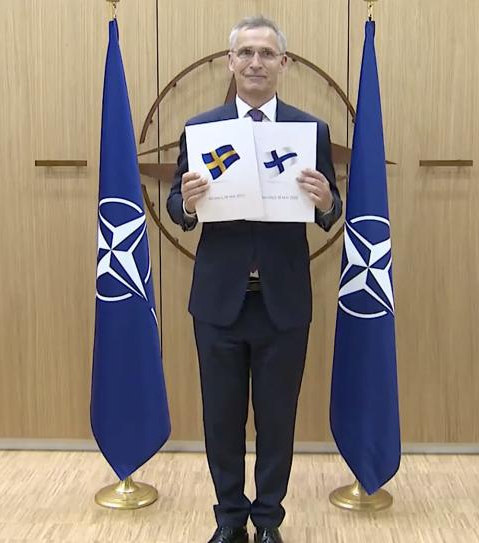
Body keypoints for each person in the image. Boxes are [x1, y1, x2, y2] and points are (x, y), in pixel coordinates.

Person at [167, 15, 342, 543]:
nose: (255, 62)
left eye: (267, 53)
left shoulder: (309, 131)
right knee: (221, 420)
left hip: (282, 300)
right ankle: (228, 519)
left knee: (277, 420)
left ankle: (268, 520)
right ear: (230, 62)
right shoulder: (203, 130)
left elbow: (332, 210)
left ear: (283, 64)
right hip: (220, 301)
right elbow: (177, 205)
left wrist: (327, 200)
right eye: (246, 52)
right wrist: (189, 204)